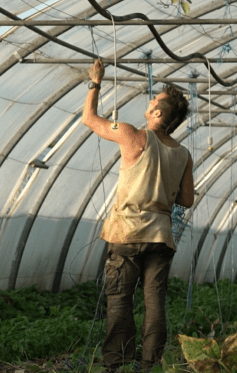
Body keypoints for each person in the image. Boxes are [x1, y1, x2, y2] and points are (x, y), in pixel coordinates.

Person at [82, 59, 194, 372]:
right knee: (154, 300)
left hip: (126, 234)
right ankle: (150, 364)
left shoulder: (133, 135)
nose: (149, 101)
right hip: (160, 236)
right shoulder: (183, 153)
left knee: (119, 299)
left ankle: (117, 364)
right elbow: (186, 199)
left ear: (158, 114)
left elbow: (89, 119)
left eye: (154, 100)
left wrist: (95, 81)